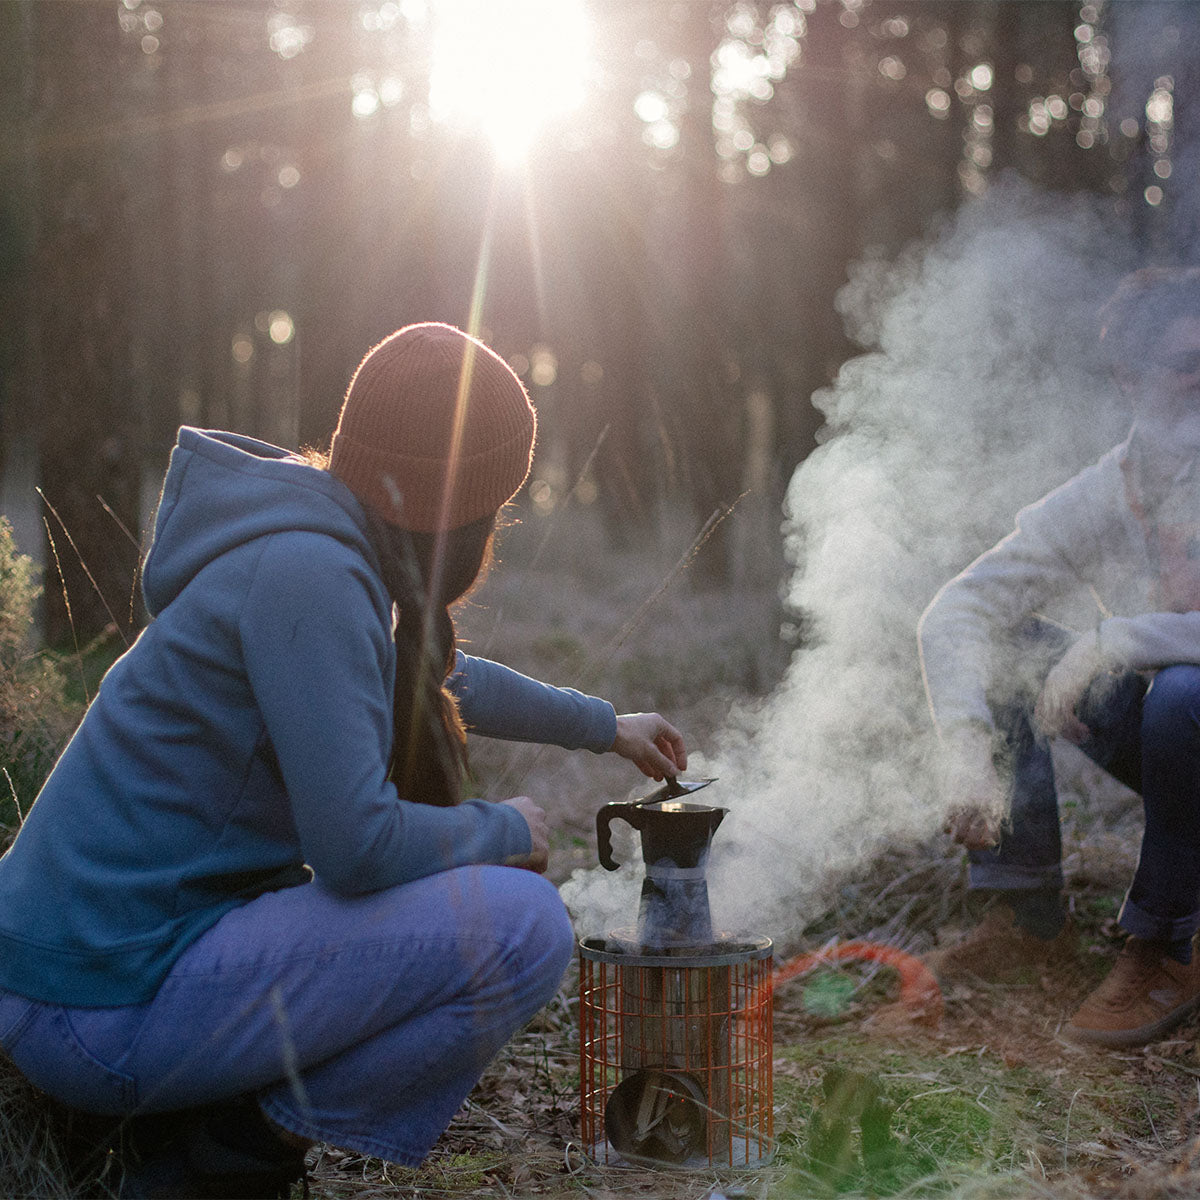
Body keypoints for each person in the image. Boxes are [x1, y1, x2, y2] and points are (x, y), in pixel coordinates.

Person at [0, 322, 687, 1197]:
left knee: (487, 910)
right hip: (93, 1009)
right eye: (493, 502)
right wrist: (500, 829)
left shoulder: (317, 532)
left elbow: (442, 674)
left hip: (84, 969)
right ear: (458, 505)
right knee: (521, 929)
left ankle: (193, 1129)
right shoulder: (312, 576)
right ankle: (218, 1165)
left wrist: (603, 725)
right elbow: (356, 847)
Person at [918, 266, 1200, 1049]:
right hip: (1183, 754)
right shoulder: (1111, 489)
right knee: (1008, 641)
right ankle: (1026, 913)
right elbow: (957, 612)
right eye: (1187, 364)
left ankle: (1168, 946)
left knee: (1182, 695)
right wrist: (968, 748)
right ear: (1129, 380)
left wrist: (1115, 641)